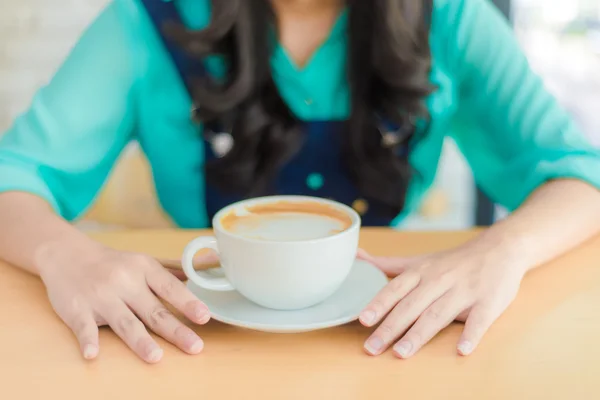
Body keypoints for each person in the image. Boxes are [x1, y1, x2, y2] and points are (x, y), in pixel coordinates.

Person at [0, 0, 599, 364]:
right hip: (193, 345)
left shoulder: (452, 17)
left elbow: (583, 175)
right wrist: (65, 255)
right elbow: (16, 174)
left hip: (391, 344)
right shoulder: (144, 22)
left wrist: (502, 250)